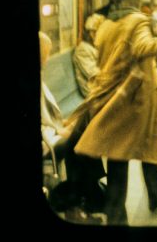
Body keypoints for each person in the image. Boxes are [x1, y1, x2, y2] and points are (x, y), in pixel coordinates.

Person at [68, 0, 157, 225]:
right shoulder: (137, 21)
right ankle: (156, 196)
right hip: (137, 99)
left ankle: (116, 215)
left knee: (118, 159)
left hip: (112, 99)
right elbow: (142, 47)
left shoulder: (106, 25)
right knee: (148, 150)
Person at [39, 31, 106, 222]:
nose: (48, 58)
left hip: (52, 131)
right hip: (46, 140)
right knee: (78, 142)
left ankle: (89, 196)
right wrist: (60, 130)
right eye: (45, 53)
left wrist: (65, 125)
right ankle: (81, 203)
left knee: (84, 134)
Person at [72, 13, 104, 97]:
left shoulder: (96, 46)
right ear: (91, 33)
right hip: (93, 93)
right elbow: (95, 75)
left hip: (102, 88)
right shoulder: (83, 50)